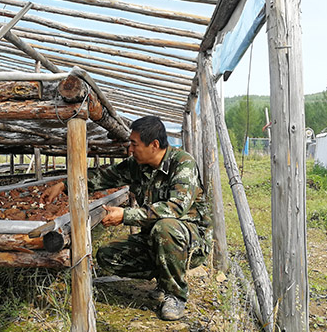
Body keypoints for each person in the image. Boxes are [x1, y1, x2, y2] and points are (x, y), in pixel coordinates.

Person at [40, 116, 212, 321]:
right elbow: (102, 177)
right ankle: (164, 279)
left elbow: (175, 208)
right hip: (155, 240)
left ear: (154, 145)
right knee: (106, 255)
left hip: (190, 241)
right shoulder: (136, 166)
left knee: (164, 228)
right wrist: (63, 185)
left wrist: (125, 216)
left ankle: (175, 295)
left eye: (134, 144)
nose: (130, 149)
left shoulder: (182, 164)